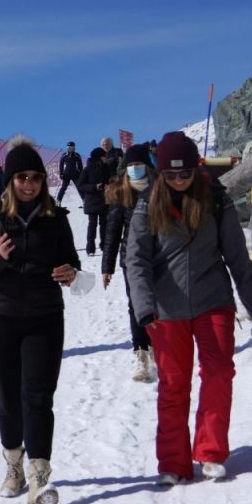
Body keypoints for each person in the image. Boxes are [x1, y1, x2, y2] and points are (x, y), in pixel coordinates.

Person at [125, 131, 252, 486]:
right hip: (166, 308)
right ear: (160, 173)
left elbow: (237, 256)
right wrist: (144, 308)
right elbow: (137, 260)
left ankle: (210, 451)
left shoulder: (215, 200)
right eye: (170, 175)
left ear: (195, 169)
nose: (178, 180)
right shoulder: (148, 204)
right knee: (174, 384)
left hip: (213, 300)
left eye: (185, 173)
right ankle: (173, 462)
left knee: (220, 372)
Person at [0, 138, 81, 504]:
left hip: (45, 316)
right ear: (10, 179)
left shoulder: (56, 218)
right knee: (7, 396)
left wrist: (70, 273)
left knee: (38, 397)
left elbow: (71, 262)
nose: (29, 184)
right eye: (21, 177)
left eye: (35, 177)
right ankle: (13, 466)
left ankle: (38, 478)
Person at [101, 143, 155, 382]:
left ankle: (160, 347)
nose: (134, 169)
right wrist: (107, 266)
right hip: (131, 258)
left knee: (162, 302)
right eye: (131, 165)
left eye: (138, 164)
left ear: (147, 166)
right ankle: (141, 352)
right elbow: (112, 232)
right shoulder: (121, 194)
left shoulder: (160, 190)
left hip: (159, 255)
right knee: (136, 304)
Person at [77, 147, 111, 255]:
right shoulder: (87, 169)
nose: (106, 158)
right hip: (92, 200)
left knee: (104, 224)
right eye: (104, 156)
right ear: (99, 157)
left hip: (105, 200)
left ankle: (104, 246)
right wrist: (94, 187)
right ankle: (90, 248)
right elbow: (80, 185)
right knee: (92, 224)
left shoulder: (107, 168)